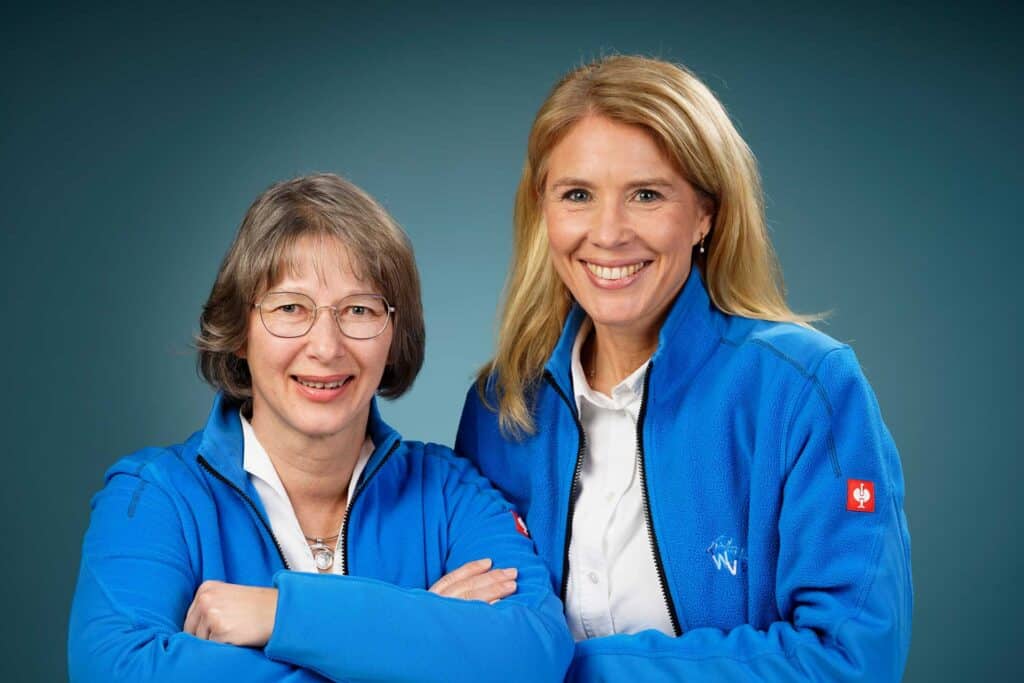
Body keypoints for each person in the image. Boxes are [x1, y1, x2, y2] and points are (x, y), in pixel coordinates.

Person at [456, 55, 912, 680]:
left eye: (646, 194)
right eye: (577, 195)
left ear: (705, 213)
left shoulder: (806, 389)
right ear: (544, 213)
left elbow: (850, 661)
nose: (608, 233)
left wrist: (558, 670)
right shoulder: (499, 406)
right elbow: (469, 633)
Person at [68, 173, 573, 682]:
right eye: (290, 308)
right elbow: (118, 670)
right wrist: (416, 638)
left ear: (393, 335)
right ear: (239, 332)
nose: (327, 347)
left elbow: (533, 657)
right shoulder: (155, 497)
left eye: (358, 309)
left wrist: (282, 615)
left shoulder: (451, 491)